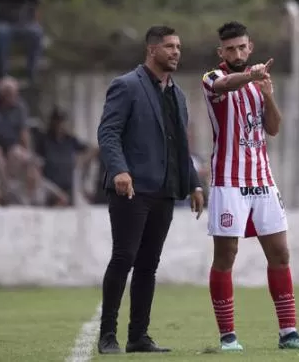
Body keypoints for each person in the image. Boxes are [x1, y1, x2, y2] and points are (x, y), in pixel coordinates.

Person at [202, 21, 299, 352]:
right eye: (230, 49)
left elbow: (274, 128)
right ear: (220, 52)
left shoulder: (259, 81)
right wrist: (251, 77)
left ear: (250, 47)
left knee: (280, 253)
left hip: (263, 181)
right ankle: (228, 336)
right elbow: (225, 84)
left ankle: (289, 333)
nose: (237, 53)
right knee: (226, 255)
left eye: (242, 47)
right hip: (228, 183)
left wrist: (268, 95)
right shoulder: (212, 78)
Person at [96, 25, 205, 355]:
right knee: (124, 257)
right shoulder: (127, 86)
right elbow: (108, 133)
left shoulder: (178, 95)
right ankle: (107, 335)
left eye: (179, 47)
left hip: (165, 191)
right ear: (152, 49)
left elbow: (179, 147)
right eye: (170, 46)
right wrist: (119, 170)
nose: (176, 52)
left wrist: (194, 182)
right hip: (130, 189)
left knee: (148, 264)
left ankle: (138, 336)